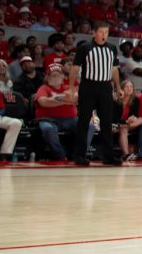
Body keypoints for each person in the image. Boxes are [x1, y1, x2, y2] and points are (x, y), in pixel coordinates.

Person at [70, 22, 122, 166]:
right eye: (101, 32)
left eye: (106, 32)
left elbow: (114, 70)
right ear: (94, 33)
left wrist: (118, 88)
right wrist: (70, 87)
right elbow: (75, 68)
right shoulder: (84, 48)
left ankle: (108, 156)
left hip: (105, 87)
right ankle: (79, 155)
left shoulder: (112, 48)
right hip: (88, 86)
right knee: (83, 122)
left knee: (106, 122)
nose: (104, 35)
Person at [35, 65, 79, 160]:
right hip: (48, 119)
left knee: (88, 126)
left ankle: (79, 153)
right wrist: (65, 101)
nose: (56, 77)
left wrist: (55, 100)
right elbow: (43, 102)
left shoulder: (68, 87)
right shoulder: (43, 88)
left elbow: (75, 98)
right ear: (47, 78)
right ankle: (60, 155)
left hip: (71, 119)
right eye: (53, 75)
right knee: (48, 128)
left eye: (58, 75)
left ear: (63, 76)